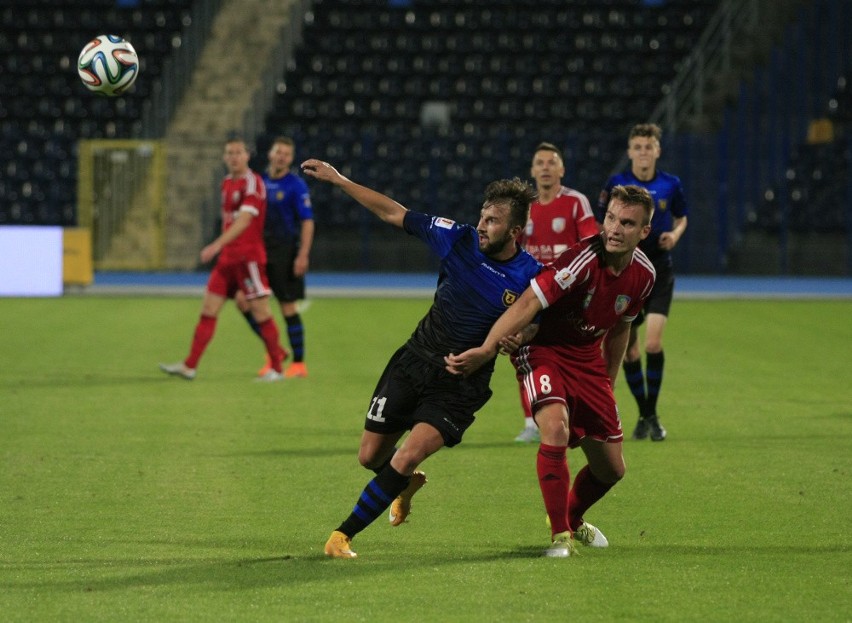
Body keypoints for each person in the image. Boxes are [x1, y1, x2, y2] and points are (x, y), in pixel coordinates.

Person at [299, 158, 542, 559]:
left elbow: (536, 323)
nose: (482, 225)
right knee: (371, 457)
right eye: (482, 216)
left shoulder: (529, 276)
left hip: (461, 381)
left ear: (515, 231)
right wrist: (341, 180)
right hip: (414, 359)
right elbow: (393, 211)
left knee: (408, 453)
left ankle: (342, 535)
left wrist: (519, 337)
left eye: (494, 221)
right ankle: (404, 484)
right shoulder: (457, 238)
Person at [446, 185, 656, 558]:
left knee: (612, 469)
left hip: (588, 357)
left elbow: (621, 327)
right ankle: (561, 536)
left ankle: (572, 519)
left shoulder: (644, 275)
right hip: (543, 349)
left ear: (644, 232)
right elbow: (528, 300)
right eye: (610, 218)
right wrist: (487, 349)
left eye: (627, 222)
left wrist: (607, 384)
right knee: (555, 427)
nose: (614, 228)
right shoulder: (580, 260)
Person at [159, 137, 287, 382]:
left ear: (247, 156)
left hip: (248, 258)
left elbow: (245, 220)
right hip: (228, 260)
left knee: (261, 311)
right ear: (224, 157)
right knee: (208, 309)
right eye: (229, 153)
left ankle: (277, 369)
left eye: (239, 152)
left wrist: (216, 244)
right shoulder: (227, 183)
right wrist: (222, 248)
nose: (234, 157)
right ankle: (190, 366)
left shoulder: (253, 183)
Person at [598, 123, 688, 441]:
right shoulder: (617, 184)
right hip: (626, 272)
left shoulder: (670, 184)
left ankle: (650, 414)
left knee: (653, 344)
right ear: (629, 151)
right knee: (631, 353)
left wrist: (674, 235)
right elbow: (602, 222)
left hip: (659, 270)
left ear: (657, 151)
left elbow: (681, 217)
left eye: (648, 147)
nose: (643, 152)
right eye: (637, 147)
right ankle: (645, 415)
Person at [514, 142, 600, 443]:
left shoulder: (576, 202)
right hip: (532, 292)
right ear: (532, 170)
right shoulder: (522, 206)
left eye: (552, 162)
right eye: (540, 162)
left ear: (562, 169)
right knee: (522, 351)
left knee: (572, 355)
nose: (546, 167)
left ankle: (575, 415)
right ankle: (531, 422)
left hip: (567, 294)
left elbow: (592, 244)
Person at [236, 136, 315, 379]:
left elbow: (307, 221)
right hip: (258, 250)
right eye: (278, 152)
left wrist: (302, 255)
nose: (281, 157)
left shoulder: (296, 185)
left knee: (286, 306)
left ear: (290, 159)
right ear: (270, 154)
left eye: (286, 154)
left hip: (284, 251)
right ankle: (276, 352)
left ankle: (299, 363)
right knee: (244, 301)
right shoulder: (258, 182)